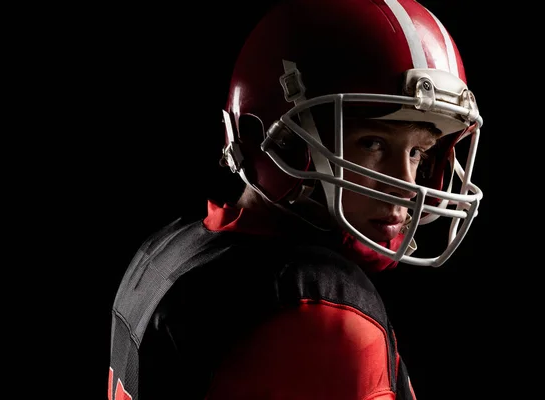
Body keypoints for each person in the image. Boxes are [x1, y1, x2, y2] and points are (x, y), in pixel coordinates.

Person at [107, 0, 484, 399]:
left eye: (417, 153)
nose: (407, 186)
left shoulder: (169, 249)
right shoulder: (318, 309)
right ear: (285, 142)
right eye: (372, 143)